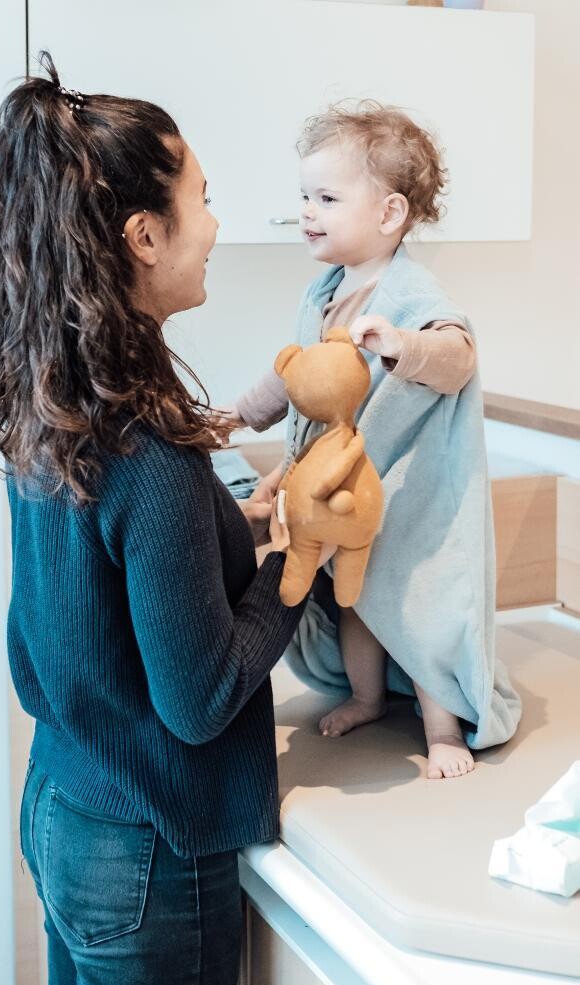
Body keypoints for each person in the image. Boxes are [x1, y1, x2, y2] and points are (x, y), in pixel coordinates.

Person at [0, 52, 329, 985]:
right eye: (202, 199)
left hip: (64, 805)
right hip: (150, 851)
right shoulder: (151, 448)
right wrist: (303, 561)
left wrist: (235, 534)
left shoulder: (56, 399)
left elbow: (81, 609)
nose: (214, 226)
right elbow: (200, 701)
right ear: (144, 235)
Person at [226, 102, 521, 779]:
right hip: (343, 502)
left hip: (407, 496)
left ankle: (443, 728)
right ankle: (365, 697)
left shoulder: (415, 294)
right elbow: (292, 376)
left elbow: (458, 357)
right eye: (304, 195)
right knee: (356, 604)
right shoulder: (324, 291)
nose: (307, 211)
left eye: (326, 197)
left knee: (418, 608)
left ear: (389, 214)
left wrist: (402, 345)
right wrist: (239, 418)